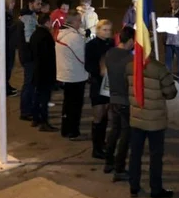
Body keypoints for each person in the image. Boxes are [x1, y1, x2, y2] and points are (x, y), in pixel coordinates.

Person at [127, 58, 177, 198]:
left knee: (135, 154)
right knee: (155, 156)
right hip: (155, 120)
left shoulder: (130, 66)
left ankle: (133, 187)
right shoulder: (159, 68)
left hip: (136, 116)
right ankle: (155, 190)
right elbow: (171, 92)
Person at [104, 26, 135, 182]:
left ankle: (108, 162)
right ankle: (119, 168)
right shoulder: (130, 58)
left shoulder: (110, 53)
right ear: (130, 41)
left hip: (113, 98)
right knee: (125, 135)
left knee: (114, 131)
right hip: (125, 99)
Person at [55, 11, 87, 140]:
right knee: (75, 106)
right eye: (79, 20)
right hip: (75, 75)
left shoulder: (61, 34)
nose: (80, 23)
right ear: (73, 22)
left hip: (64, 73)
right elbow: (83, 58)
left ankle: (65, 129)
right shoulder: (74, 37)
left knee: (67, 104)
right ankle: (73, 131)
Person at [85, 20, 115, 159]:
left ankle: (101, 143)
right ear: (98, 30)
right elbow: (88, 65)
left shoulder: (112, 44)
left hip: (110, 83)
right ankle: (96, 149)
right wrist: (99, 70)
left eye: (109, 30)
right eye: (104, 29)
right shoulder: (91, 45)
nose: (107, 32)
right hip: (98, 83)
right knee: (98, 114)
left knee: (105, 114)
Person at [30, 13, 58, 132]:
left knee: (37, 95)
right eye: (50, 21)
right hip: (45, 72)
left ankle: (35, 118)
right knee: (44, 98)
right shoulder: (45, 36)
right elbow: (49, 56)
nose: (52, 24)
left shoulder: (35, 34)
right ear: (46, 22)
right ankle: (44, 122)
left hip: (37, 70)